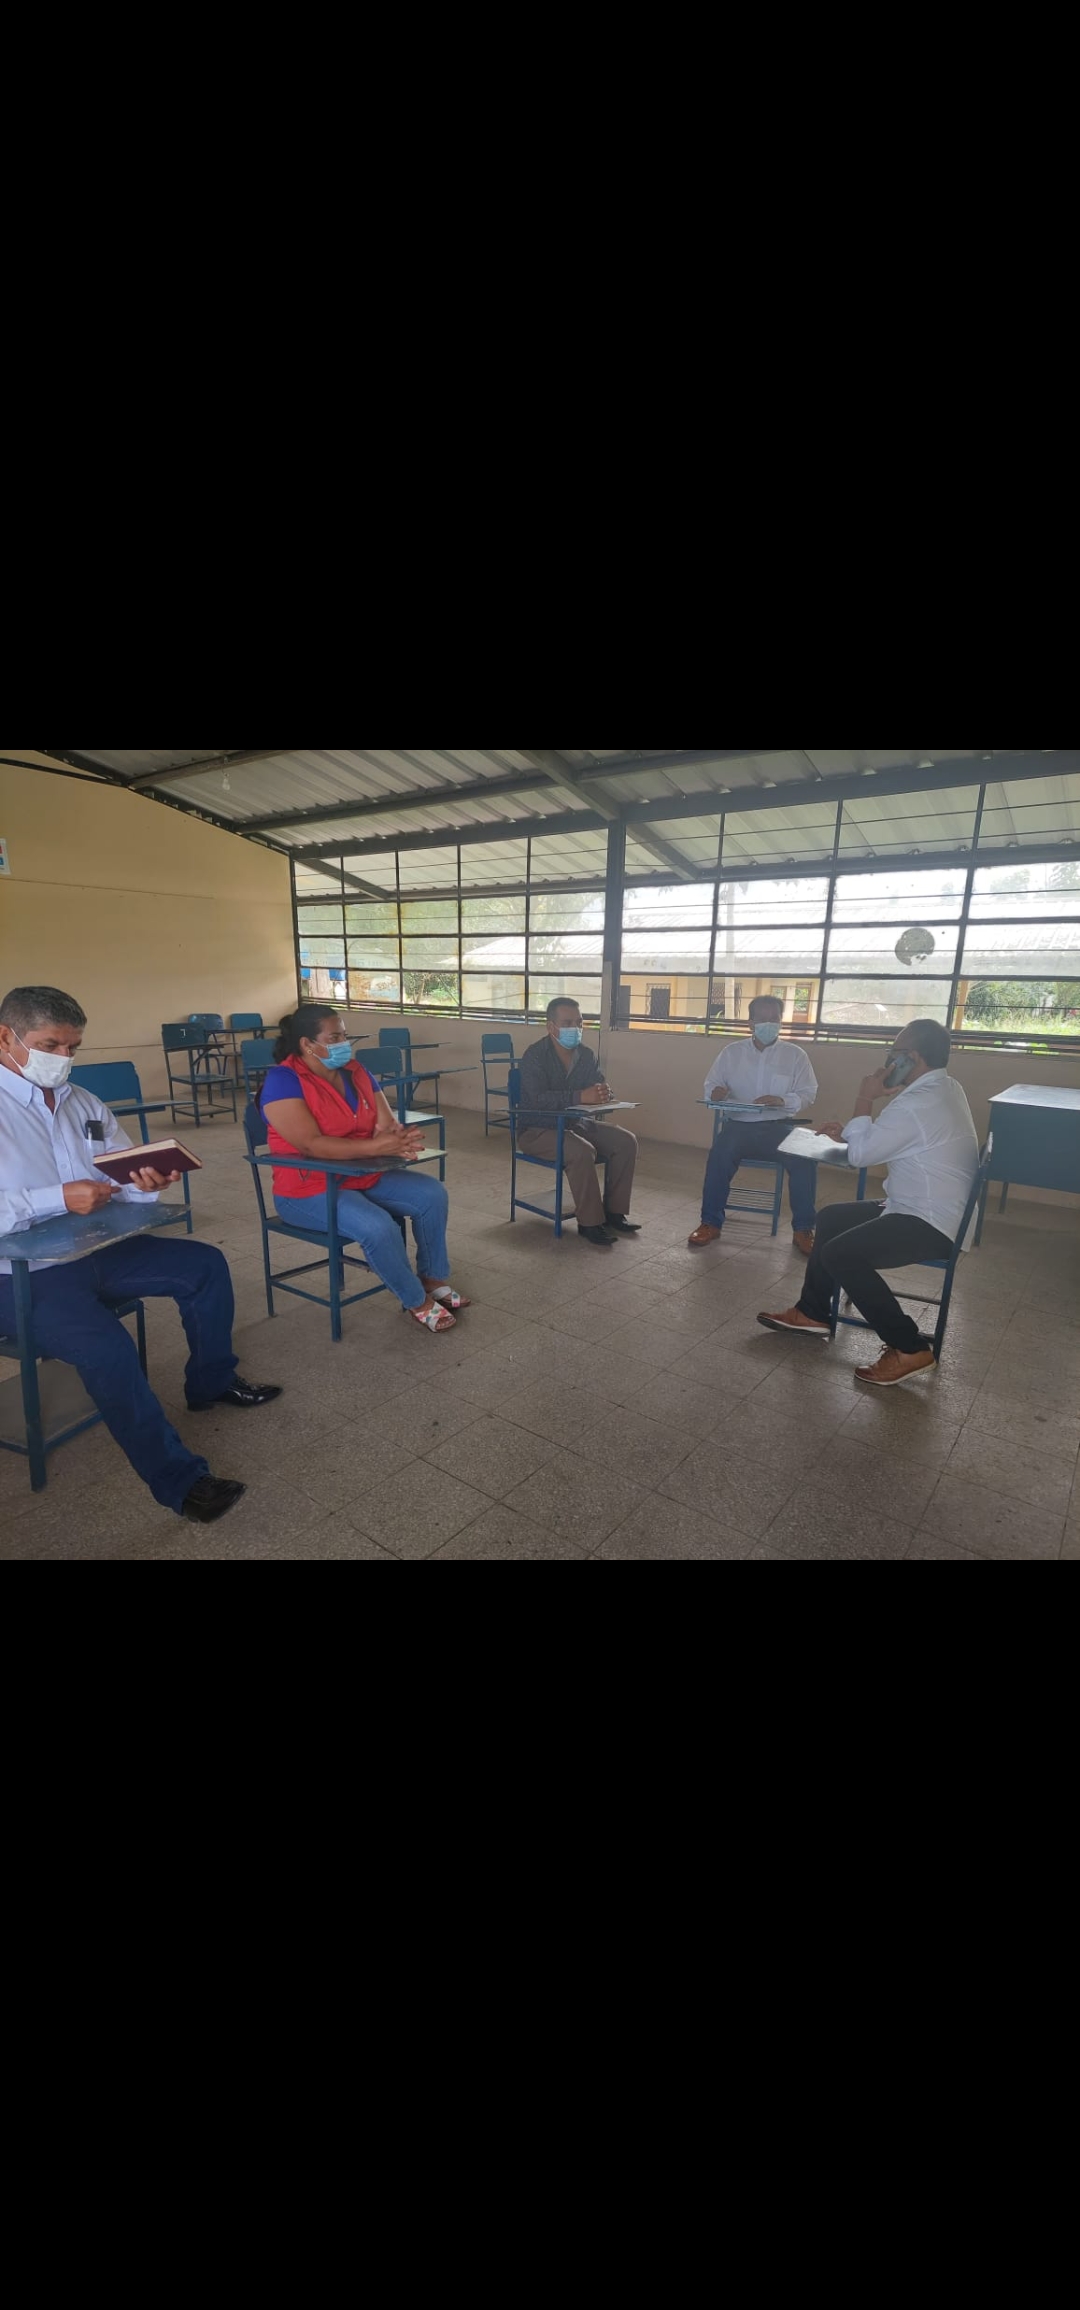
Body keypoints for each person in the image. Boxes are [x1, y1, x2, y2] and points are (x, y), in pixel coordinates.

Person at [0, 986, 281, 1525]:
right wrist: (56, 1198)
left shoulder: (83, 1102)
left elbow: (119, 1174)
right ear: (5, 1038)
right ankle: (180, 1482)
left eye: (73, 1047)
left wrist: (145, 1180)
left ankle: (211, 1380)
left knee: (204, 1266)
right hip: (19, 1274)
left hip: (94, 1248)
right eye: (50, 1045)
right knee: (107, 1349)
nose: (62, 1058)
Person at [757, 1018, 980, 1386]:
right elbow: (891, 1140)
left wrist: (865, 1099)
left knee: (841, 1254)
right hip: (923, 1205)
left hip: (931, 1222)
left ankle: (910, 1347)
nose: (888, 1061)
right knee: (832, 1217)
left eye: (894, 1053)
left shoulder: (915, 1103)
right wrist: (850, 1134)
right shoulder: (944, 1087)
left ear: (911, 1057)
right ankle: (813, 1312)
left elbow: (862, 1157)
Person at [261, 1007, 468, 1333]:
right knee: (377, 1226)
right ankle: (416, 1299)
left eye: (345, 1035)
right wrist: (376, 1147)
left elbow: (385, 1123)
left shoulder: (356, 1071)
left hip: (362, 1174)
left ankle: (432, 1277)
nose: (344, 1043)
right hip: (307, 1189)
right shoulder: (282, 1080)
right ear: (307, 1044)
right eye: (334, 1037)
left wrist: (397, 1138)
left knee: (431, 1194)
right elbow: (311, 1144)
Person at [688, 995, 819, 1254]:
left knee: (805, 1159)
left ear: (781, 1021)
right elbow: (711, 1086)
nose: (769, 1023)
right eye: (763, 1019)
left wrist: (782, 1100)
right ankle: (710, 1223)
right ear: (750, 1023)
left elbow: (808, 1093)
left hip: (779, 1127)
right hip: (739, 1126)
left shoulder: (795, 1055)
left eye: (775, 1018)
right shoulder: (731, 1053)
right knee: (719, 1156)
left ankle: (803, 1229)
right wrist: (716, 1093)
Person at [516, 1000, 640, 1250]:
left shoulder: (586, 1055)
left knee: (626, 1141)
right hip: (538, 1129)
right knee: (581, 1151)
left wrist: (604, 1093)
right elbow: (537, 1099)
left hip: (576, 1123)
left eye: (579, 1023)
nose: (576, 1028)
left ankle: (614, 1213)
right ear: (551, 1027)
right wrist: (579, 1096)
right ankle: (590, 1223)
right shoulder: (535, 1055)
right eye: (567, 1023)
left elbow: (597, 1084)